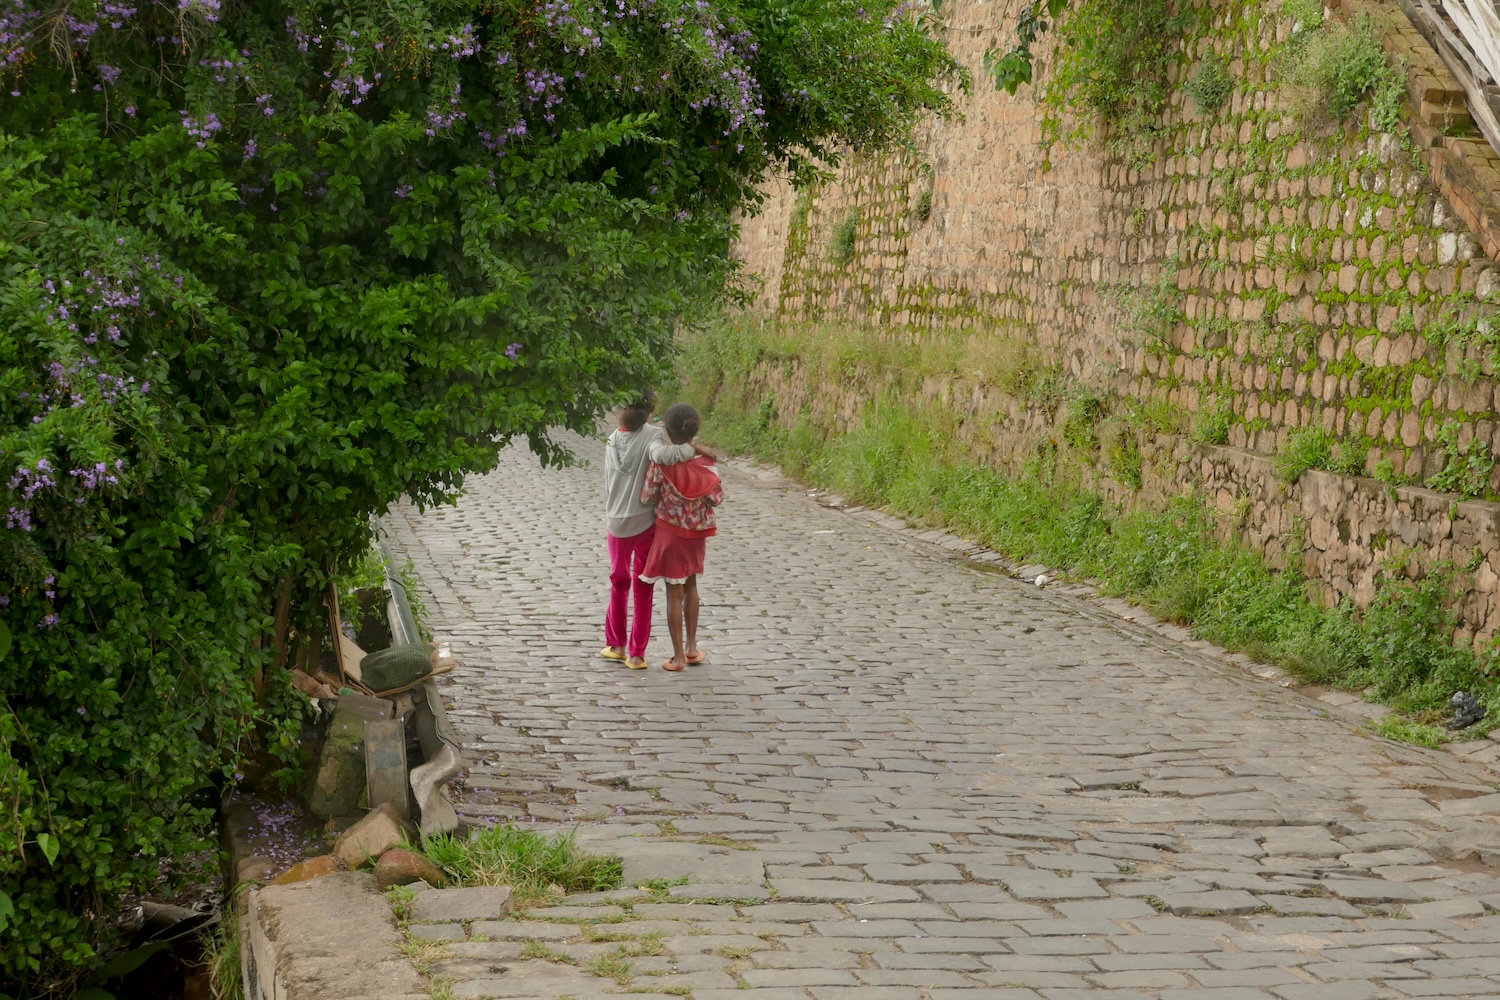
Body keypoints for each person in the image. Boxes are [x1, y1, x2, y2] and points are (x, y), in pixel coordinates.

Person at [601, 396, 700, 668]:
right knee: (643, 586)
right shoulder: (653, 435)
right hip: (644, 524)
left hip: (616, 523)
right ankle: (637, 654)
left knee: (619, 582)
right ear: (651, 411)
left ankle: (616, 645)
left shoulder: (611, 439)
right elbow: (661, 455)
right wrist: (693, 450)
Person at [639, 403, 722, 672]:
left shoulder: (660, 463)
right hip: (696, 536)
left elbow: (647, 496)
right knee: (692, 587)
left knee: (673, 594)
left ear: (666, 430)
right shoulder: (707, 462)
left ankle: (677, 658)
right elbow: (716, 497)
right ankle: (693, 648)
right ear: (695, 429)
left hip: (669, 534)